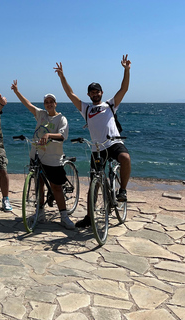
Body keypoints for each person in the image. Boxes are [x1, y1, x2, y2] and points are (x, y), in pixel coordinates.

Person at [54, 54, 132, 228]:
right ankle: (89, 217)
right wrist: (62, 77)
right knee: (94, 184)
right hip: (97, 148)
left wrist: (126, 70)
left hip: (114, 143)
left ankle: (123, 190)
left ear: (101, 93)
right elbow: (70, 93)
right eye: (92, 92)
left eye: (98, 91)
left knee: (125, 158)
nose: (95, 94)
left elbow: (124, 89)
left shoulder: (110, 104)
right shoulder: (86, 108)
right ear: (88, 94)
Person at [11, 80, 74, 230]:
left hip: (53, 158)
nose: (48, 104)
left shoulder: (61, 118)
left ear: (56, 104)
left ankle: (64, 216)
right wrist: (17, 92)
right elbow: (28, 105)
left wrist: (49, 135)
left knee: (56, 187)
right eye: (46, 102)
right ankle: (40, 212)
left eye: (51, 102)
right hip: (37, 154)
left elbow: (62, 135)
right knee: (38, 184)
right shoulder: (41, 115)